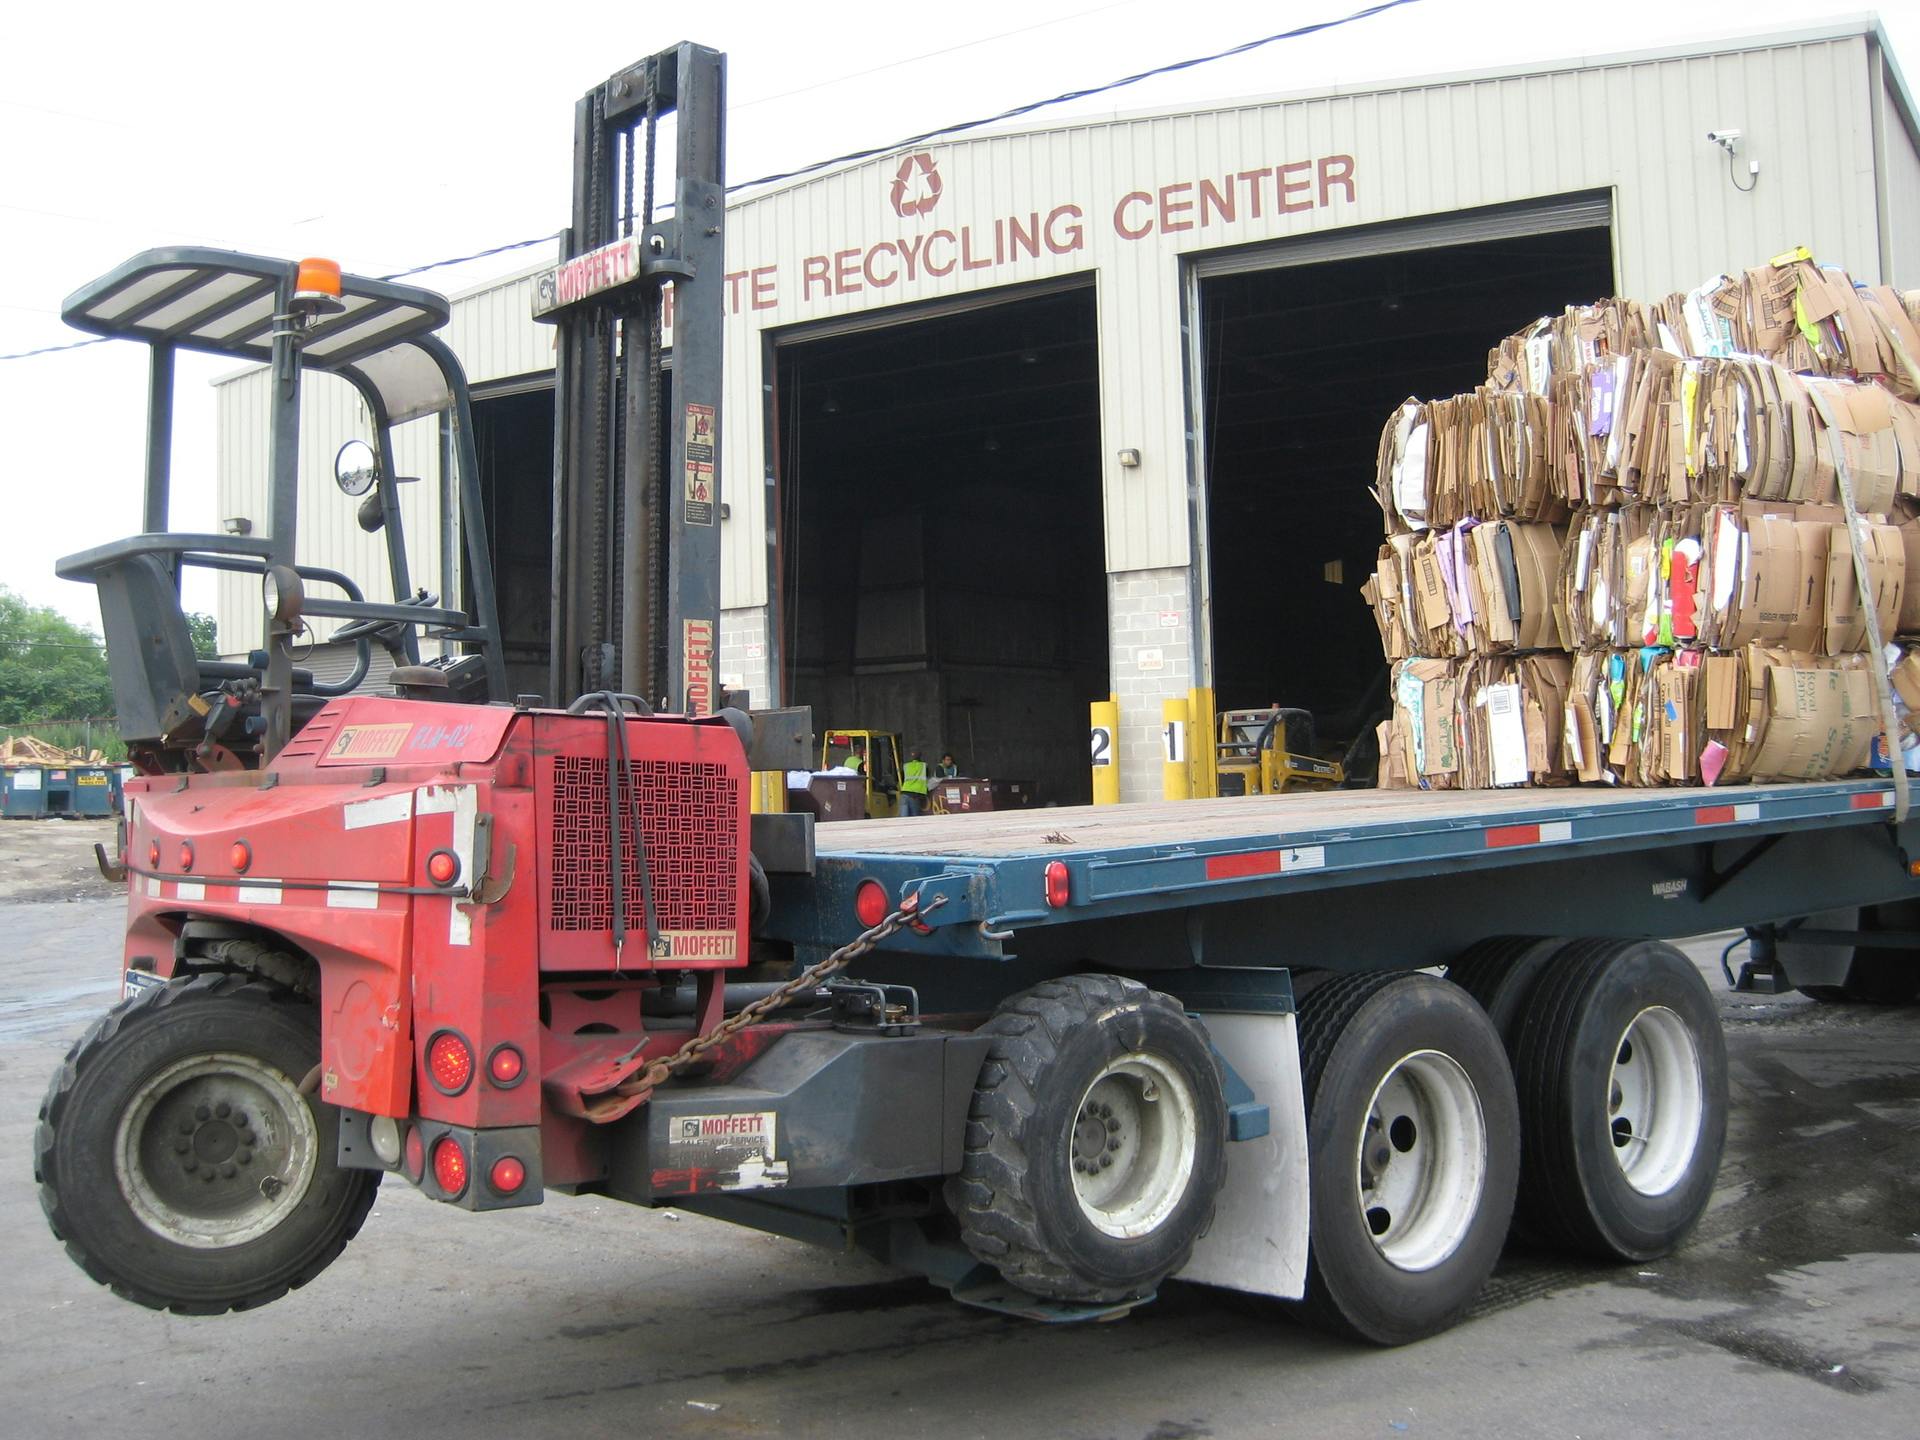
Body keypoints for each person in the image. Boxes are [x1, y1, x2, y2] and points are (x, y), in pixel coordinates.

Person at [900, 747, 930, 816]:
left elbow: (902, 777)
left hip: (904, 793)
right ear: (920, 756)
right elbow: (927, 776)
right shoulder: (924, 766)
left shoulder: (906, 766)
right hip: (915, 795)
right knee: (914, 818)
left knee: (903, 818)